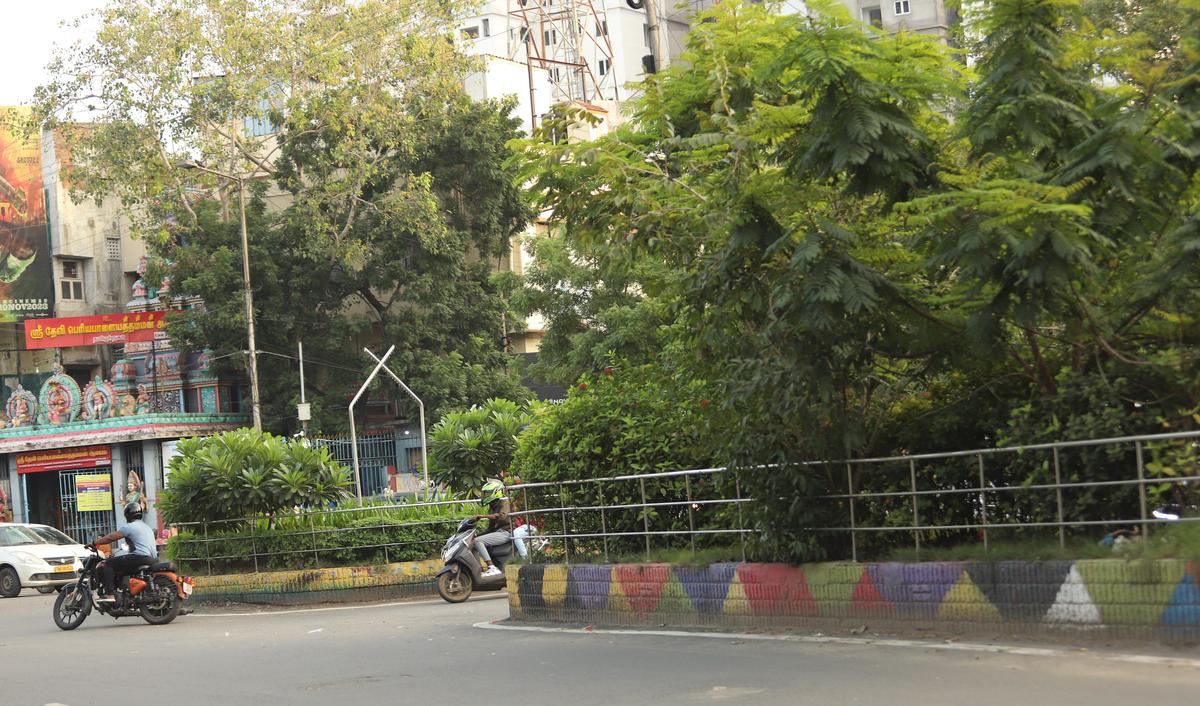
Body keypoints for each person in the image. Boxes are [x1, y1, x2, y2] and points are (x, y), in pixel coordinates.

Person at [91, 501, 158, 604]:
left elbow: (111, 537)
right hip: (152, 560)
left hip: (140, 557)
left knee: (107, 563)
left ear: (127, 515)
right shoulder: (147, 527)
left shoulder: (129, 527)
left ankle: (110, 594)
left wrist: (95, 542)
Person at [472, 479, 512, 578]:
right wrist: (476, 534)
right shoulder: (492, 506)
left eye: (487, 493)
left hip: (506, 532)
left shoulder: (504, 502)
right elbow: (490, 528)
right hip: (498, 532)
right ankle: (480, 569)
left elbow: (501, 516)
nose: (485, 495)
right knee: (473, 541)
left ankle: (491, 567)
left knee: (478, 541)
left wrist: (483, 516)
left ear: (495, 492)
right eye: (484, 493)